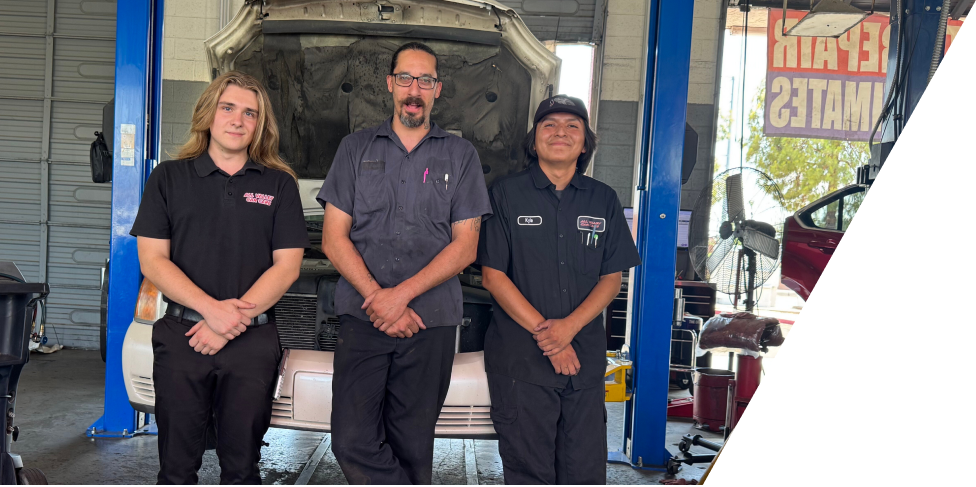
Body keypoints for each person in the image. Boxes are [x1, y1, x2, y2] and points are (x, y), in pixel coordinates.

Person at [317, 42, 492, 485]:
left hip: (429, 320)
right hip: (364, 316)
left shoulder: (461, 155)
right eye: (407, 78)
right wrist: (379, 299)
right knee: (351, 440)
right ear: (391, 84)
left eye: (426, 80)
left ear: (438, 89)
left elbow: (466, 245)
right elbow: (333, 238)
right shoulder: (354, 149)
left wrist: (400, 297)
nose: (415, 89)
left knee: (413, 445)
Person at [129, 71, 310, 485]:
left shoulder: (279, 185)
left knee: (242, 469)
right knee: (176, 469)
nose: (238, 120)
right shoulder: (169, 179)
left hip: (252, 344)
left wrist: (230, 326)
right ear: (209, 114)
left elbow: (288, 266)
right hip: (183, 337)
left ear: (259, 124)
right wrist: (212, 313)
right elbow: (153, 261)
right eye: (228, 108)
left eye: (250, 113)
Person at [476, 95, 642, 485]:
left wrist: (568, 330)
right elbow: (493, 276)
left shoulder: (603, 199)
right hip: (522, 364)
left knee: (584, 473)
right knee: (529, 473)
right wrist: (551, 338)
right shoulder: (504, 194)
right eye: (549, 125)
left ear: (585, 144)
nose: (560, 133)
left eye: (573, 126)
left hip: (582, 367)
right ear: (534, 142)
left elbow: (611, 278)